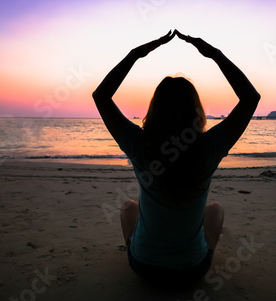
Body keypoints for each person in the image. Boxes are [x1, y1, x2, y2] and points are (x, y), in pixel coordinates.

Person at [93, 30, 260, 286]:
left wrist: (136, 54)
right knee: (215, 210)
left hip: (144, 267)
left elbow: (101, 96)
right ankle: (200, 251)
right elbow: (250, 99)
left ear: (154, 109)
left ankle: (138, 246)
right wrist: (214, 55)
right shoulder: (208, 148)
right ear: (195, 111)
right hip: (192, 270)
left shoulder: (141, 145)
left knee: (128, 207)